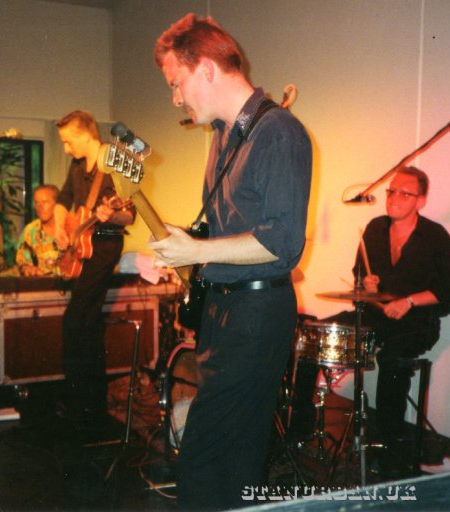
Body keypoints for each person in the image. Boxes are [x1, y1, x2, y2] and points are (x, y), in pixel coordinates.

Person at [151, 14, 312, 510]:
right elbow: (220, 230)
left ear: (205, 70)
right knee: (225, 460)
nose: (176, 98)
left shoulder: (278, 132)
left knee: (208, 457)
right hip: (224, 313)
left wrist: (196, 252)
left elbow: (282, 244)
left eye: (177, 84)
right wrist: (172, 250)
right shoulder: (224, 136)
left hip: (255, 315)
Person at [293, 166, 450, 473]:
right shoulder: (374, 228)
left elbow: (449, 290)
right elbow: (358, 276)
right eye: (391, 191)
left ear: (420, 201)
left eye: (404, 193)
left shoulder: (435, 236)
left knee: (393, 360)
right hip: (375, 315)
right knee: (313, 337)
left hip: (417, 322)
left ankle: (388, 451)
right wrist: (367, 285)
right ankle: (298, 431)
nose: (395, 197)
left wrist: (409, 301)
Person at [53, 110, 135, 424]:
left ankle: (78, 397)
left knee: (75, 318)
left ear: (86, 135)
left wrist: (110, 215)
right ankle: (90, 405)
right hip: (82, 246)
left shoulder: (113, 164)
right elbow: (63, 199)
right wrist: (63, 228)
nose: (65, 148)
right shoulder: (76, 167)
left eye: (68, 141)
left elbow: (129, 215)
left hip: (104, 245)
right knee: (86, 322)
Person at [16, 184, 61, 277]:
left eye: (45, 202)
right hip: (44, 286)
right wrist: (28, 269)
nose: (39, 207)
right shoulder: (31, 230)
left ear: (57, 204)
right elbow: (22, 261)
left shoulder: (71, 226)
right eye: (36, 203)